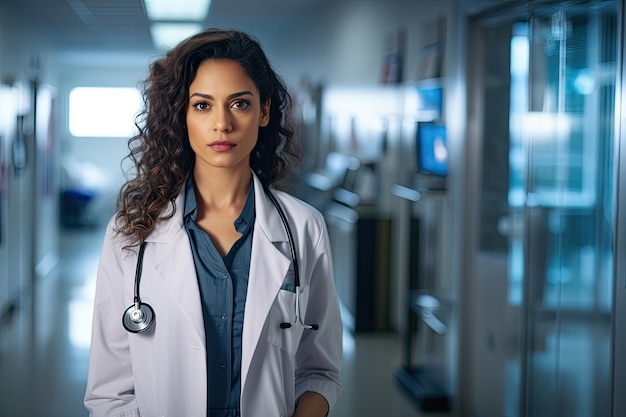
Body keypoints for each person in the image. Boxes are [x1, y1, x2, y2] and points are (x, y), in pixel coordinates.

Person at [84, 28, 342, 417]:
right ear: (181, 115)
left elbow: (320, 370)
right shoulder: (131, 232)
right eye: (203, 105)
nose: (222, 124)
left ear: (265, 111)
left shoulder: (304, 227)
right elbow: (110, 391)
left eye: (239, 104)